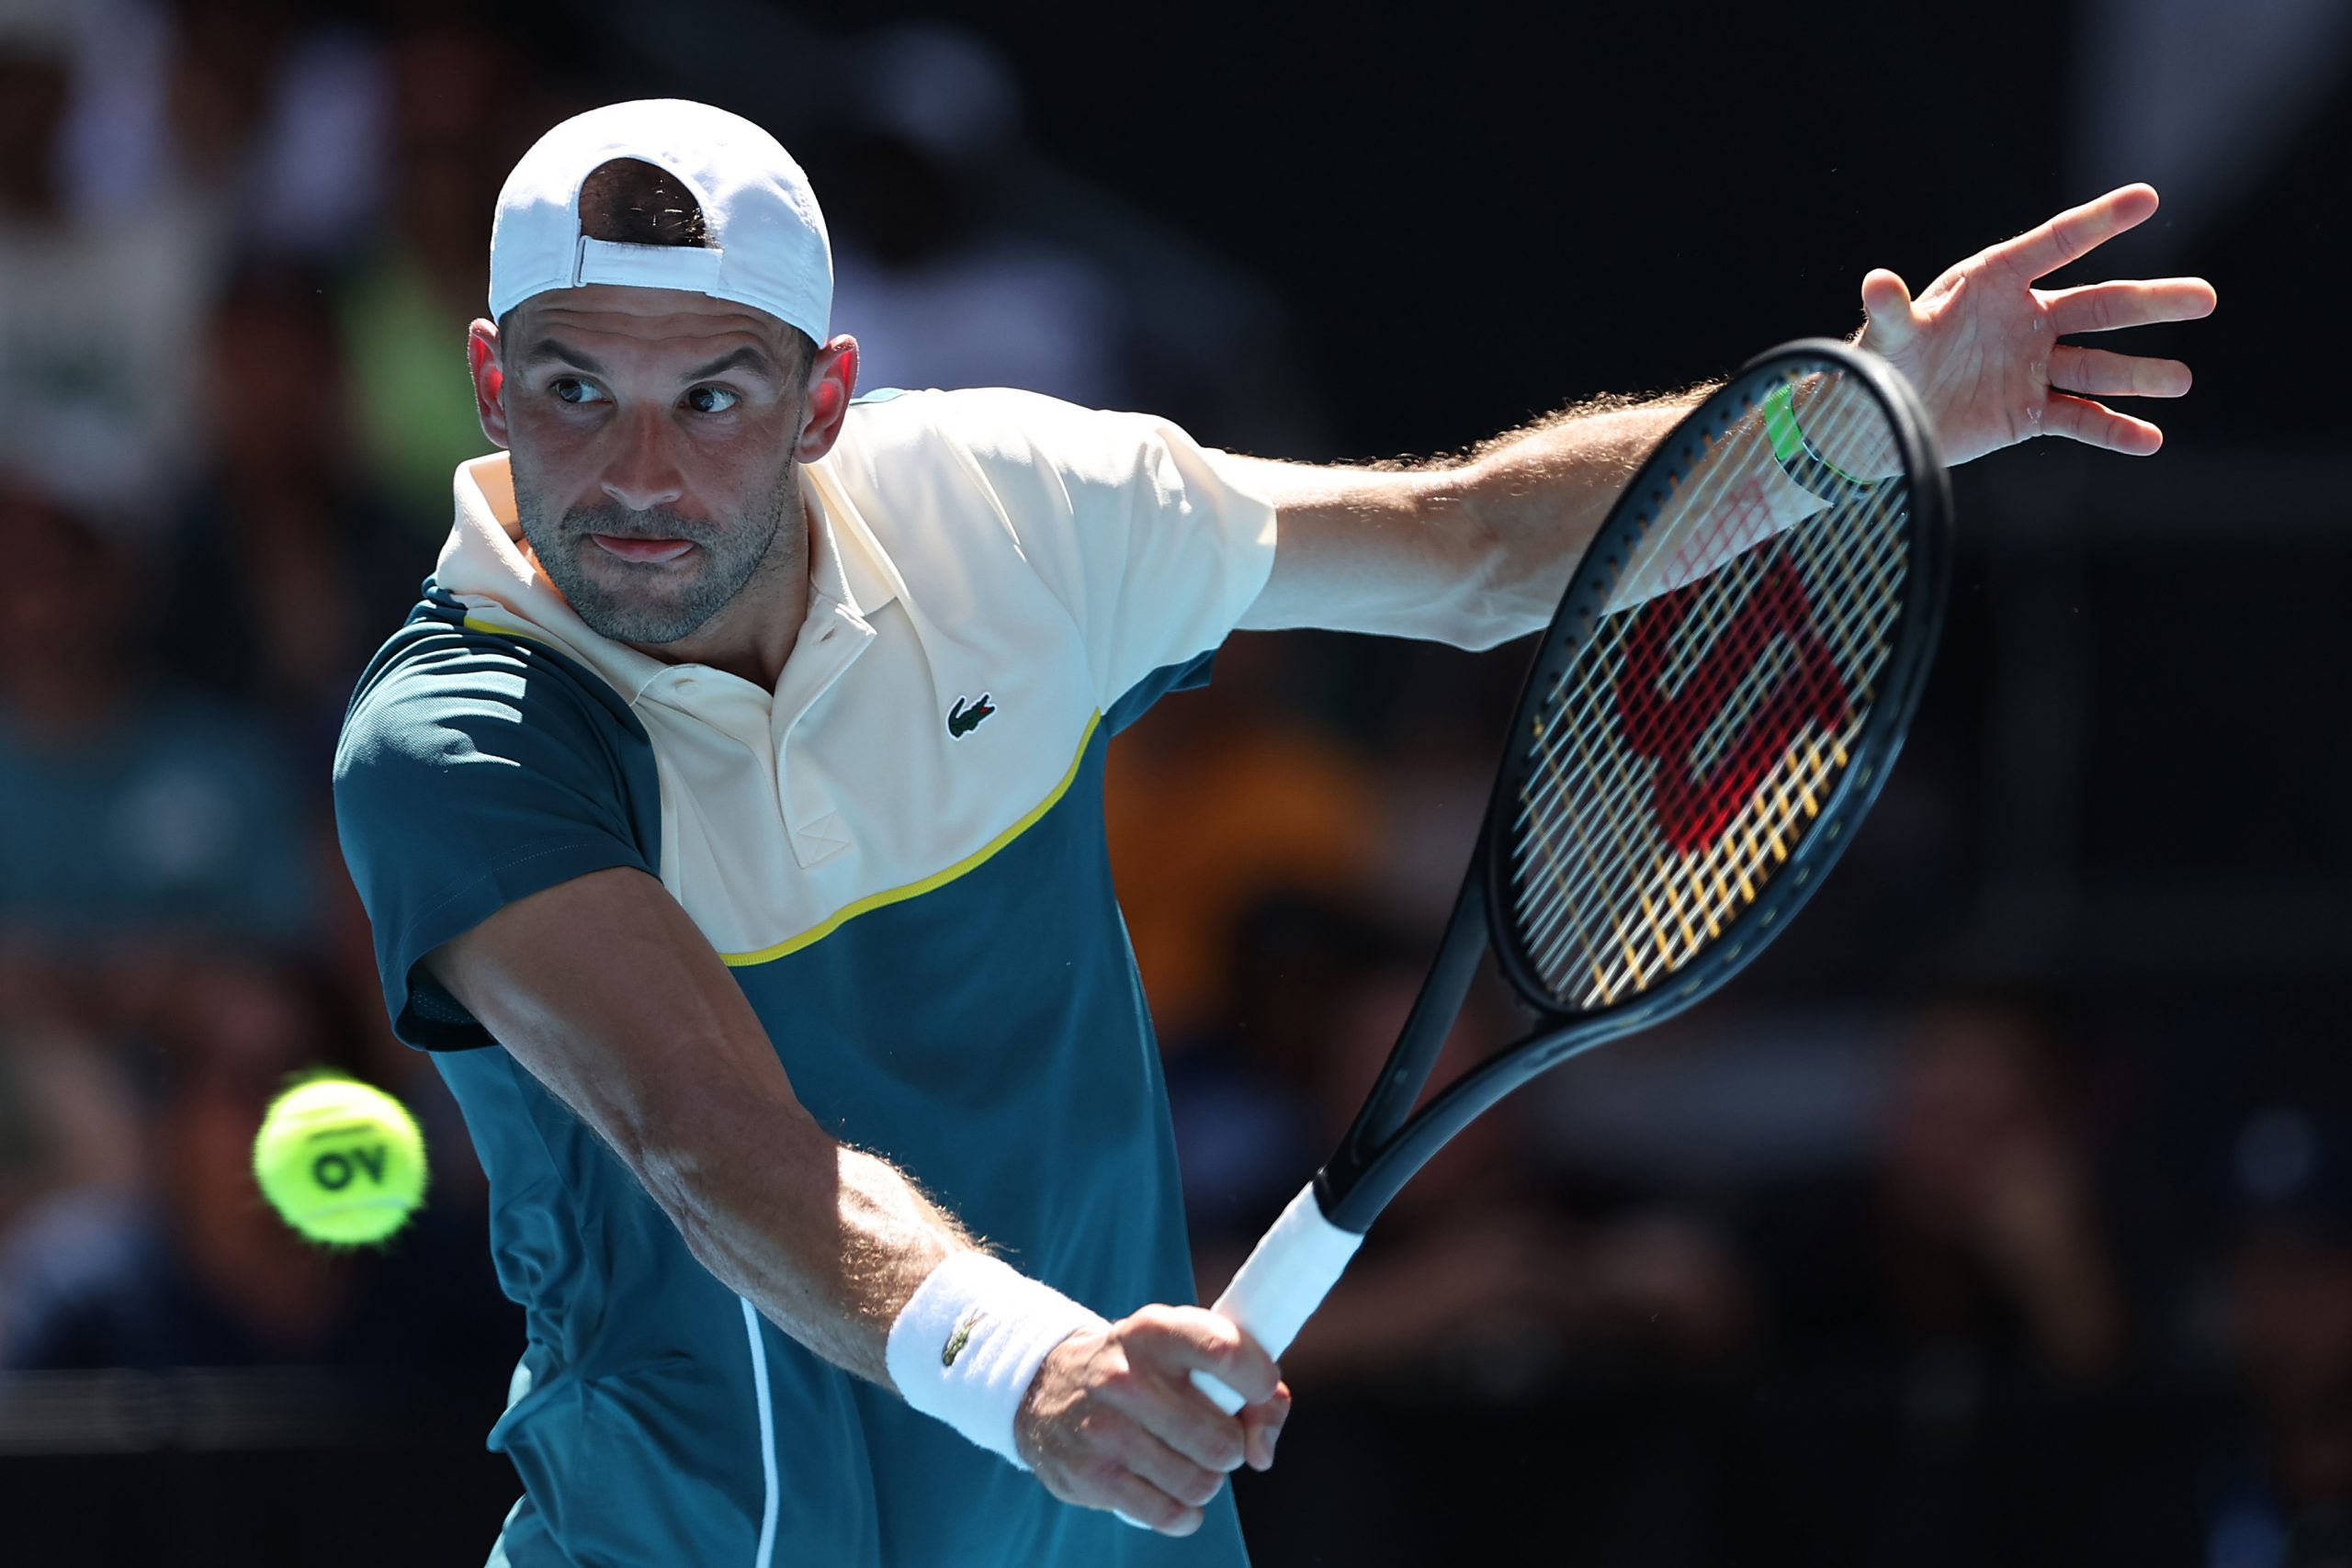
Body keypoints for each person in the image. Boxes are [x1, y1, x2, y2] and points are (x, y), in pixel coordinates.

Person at [330, 97, 2215, 1566]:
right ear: (493, 380)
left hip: (1097, 1526)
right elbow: (708, 1133)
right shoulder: (456, 735)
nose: (637, 475)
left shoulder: (1014, 515)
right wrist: (1034, 1367)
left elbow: (1472, 546)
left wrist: (1859, 421)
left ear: (825, 397)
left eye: (712, 396)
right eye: (575, 391)